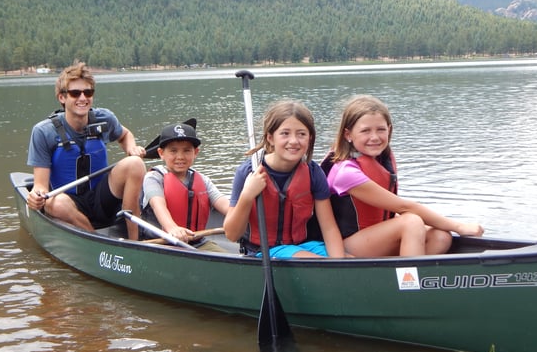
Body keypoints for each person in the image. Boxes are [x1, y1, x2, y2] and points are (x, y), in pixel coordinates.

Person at [323, 94, 484, 257]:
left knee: (440, 237)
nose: (374, 137)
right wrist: (459, 227)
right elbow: (404, 207)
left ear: (389, 129)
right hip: (349, 245)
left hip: (378, 238)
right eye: (365, 131)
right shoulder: (346, 172)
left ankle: (401, 275)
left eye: (381, 129)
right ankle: (408, 280)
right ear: (348, 135)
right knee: (411, 221)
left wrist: (447, 228)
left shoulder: (380, 160)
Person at [26, 61, 146, 240]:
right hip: (68, 201)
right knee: (57, 204)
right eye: (75, 93)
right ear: (62, 97)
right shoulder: (44, 132)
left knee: (135, 164)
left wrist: (131, 148)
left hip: (101, 198)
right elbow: (41, 185)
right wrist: (36, 196)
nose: (83, 98)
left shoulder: (104, 118)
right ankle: (97, 241)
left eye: (88, 92)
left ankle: (135, 240)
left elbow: (125, 134)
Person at [223, 100, 345, 258]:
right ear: (270, 138)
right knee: (316, 261)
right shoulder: (248, 172)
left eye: (301, 134)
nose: (294, 141)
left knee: (349, 260)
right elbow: (232, 235)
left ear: (310, 138)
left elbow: (328, 228)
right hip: (263, 251)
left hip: (303, 245)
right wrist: (247, 195)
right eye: (285, 133)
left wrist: (339, 262)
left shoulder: (314, 172)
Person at [141, 121, 230, 252]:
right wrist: (172, 228)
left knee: (227, 259)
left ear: (196, 152)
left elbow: (225, 205)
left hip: (197, 243)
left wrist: (245, 215)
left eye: (187, 150)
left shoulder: (203, 180)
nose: (180, 157)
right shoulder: (154, 177)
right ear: (161, 153)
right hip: (161, 245)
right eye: (173, 151)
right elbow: (158, 205)